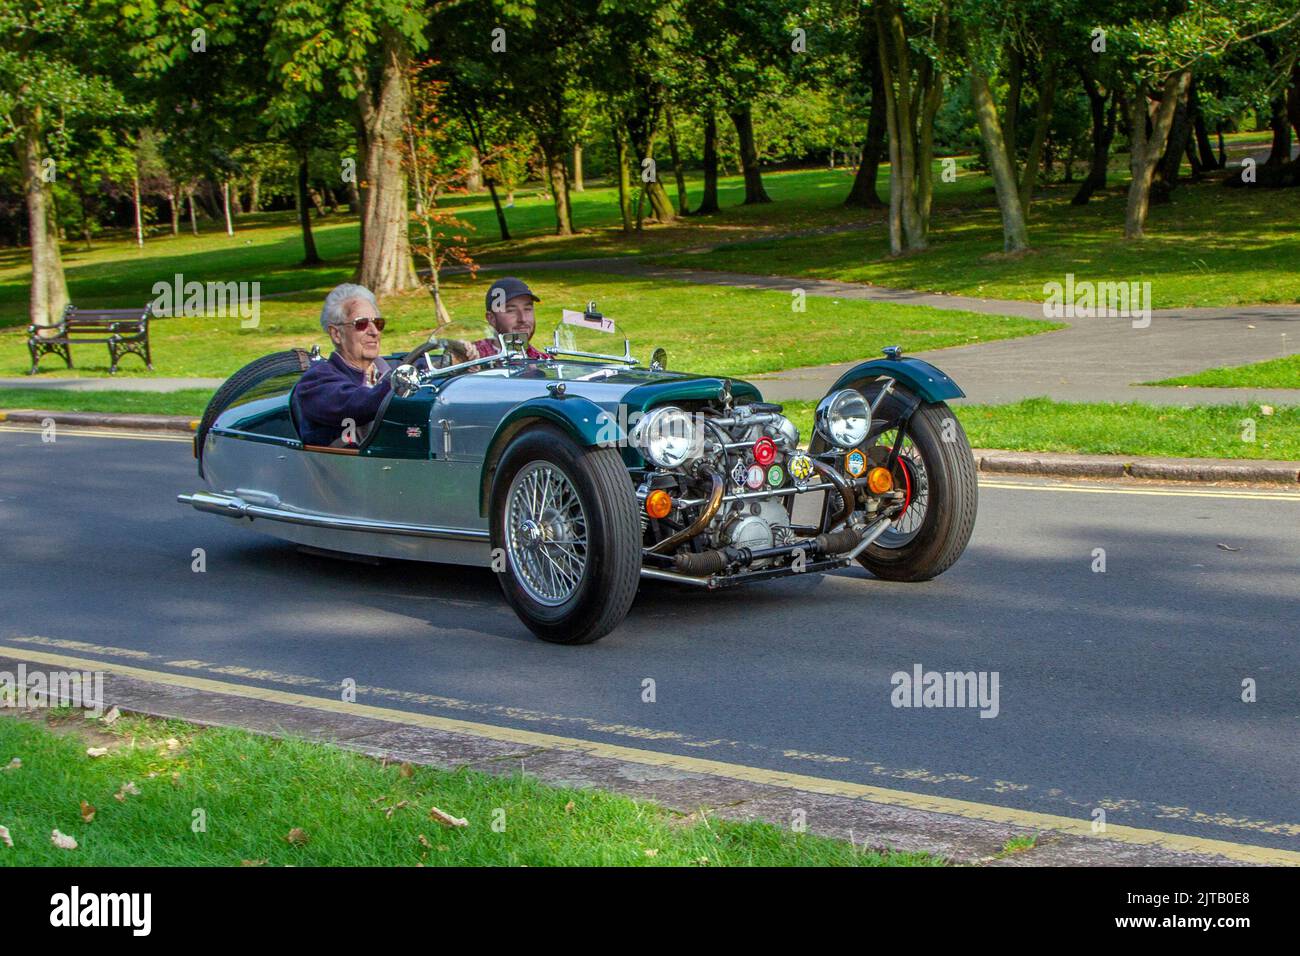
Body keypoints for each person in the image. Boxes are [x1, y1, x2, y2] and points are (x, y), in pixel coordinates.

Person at [296, 283, 394, 447]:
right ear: (336, 334)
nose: (374, 332)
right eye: (361, 324)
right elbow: (357, 404)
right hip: (338, 470)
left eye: (378, 323)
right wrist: (400, 385)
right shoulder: (315, 383)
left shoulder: (388, 370)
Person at [472, 277, 549, 359]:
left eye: (527, 309)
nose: (522, 319)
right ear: (491, 318)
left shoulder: (544, 361)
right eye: (511, 310)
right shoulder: (473, 357)